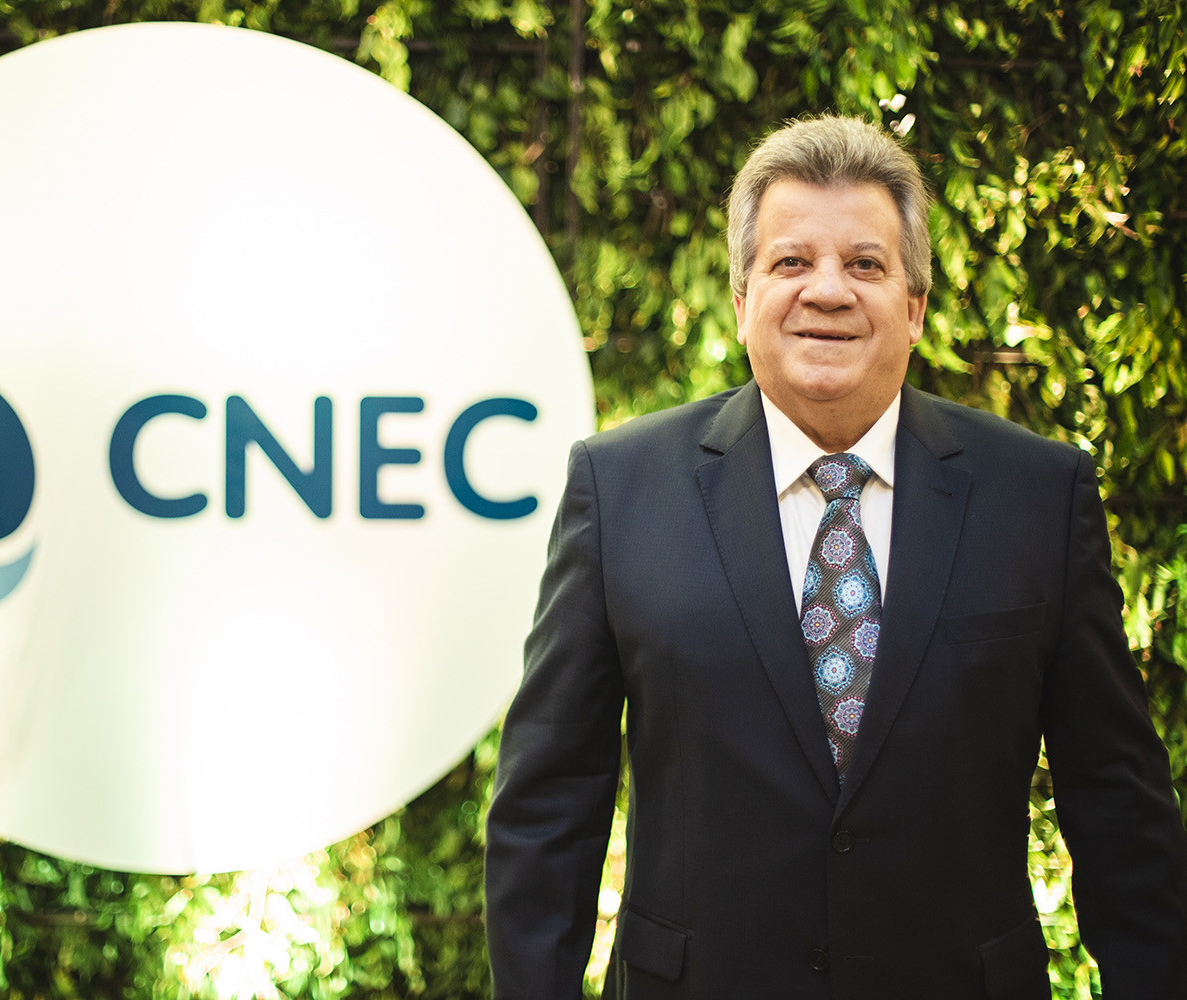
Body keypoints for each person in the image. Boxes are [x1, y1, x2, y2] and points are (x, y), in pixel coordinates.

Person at [484, 115, 1187, 1000]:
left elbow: (1117, 799)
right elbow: (549, 808)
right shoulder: (618, 489)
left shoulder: (1039, 496)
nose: (827, 290)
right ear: (742, 300)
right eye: (791, 262)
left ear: (915, 306)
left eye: (864, 264)